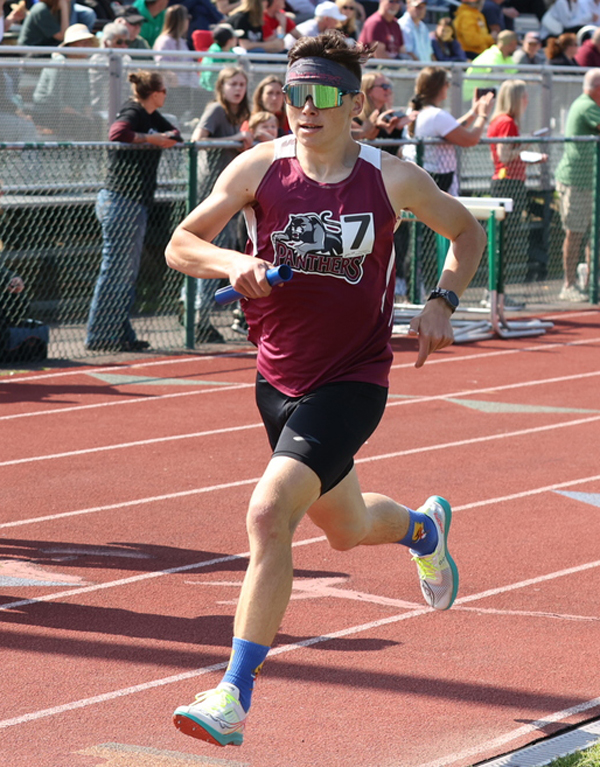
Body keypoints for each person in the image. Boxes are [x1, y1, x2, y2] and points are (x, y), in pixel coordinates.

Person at [166, 29, 486, 747]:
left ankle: (232, 695)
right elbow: (180, 243)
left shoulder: (391, 179)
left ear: (354, 105)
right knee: (345, 529)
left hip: (354, 378)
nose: (304, 108)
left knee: (267, 515)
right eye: (293, 94)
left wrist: (442, 301)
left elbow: (466, 233)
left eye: (321, 95)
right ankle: (423, 530)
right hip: (276, 379)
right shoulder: (258, 168)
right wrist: (232, 263)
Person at [86, 71, 181, 352]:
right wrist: (150, 139)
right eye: (164, 91)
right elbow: (117, 133)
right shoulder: (133, 110)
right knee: (115, 270)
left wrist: (161, 136)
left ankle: (120, 333)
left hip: (135, 202)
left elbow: (176, 135)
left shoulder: (151, 115)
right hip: (120, 199)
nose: (166, 96)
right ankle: (100, 336)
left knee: (126, 273)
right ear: (155, 93)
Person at [189, 66, 253, 342]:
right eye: (232, 84)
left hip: (233, 193)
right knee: (208, 253)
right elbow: (197, 140)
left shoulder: (244, 113)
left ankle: (199, 315)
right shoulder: (216, 109)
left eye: (241, 84)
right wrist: (233, 140)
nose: (238, 89)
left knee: (223, 252)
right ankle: (197, 318)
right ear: (222, 87)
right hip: (210, 192)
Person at [486, 79, 548, 302]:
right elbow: (504, 156)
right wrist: (527, 144)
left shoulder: (501, 120)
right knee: (503, 240)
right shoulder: (507, 122)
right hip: (508, 184)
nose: (527, 100)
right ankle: (495, 294)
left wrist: (527, 153)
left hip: (508, 182)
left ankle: (495, 293)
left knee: (503, 240)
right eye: (524, 96)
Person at [405, 65, 494, 196]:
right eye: (447, 83)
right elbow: (471, 139)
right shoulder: (436, 115)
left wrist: (473, 112)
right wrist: (483, 115)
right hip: (437, 181)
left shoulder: (418, 111)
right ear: (439, 87)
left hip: (426, 178)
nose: (449, 86)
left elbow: (453, 129)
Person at [554, 68, 600, 300]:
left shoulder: (589, 104)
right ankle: (568, 285)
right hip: (576, 182)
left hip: (590, 182)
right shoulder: (587, 105)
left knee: (593, 234)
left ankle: (591, 281)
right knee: (575, 233)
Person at [31, 24, 100, 140]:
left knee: (99, 122)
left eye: (89, 43)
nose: (87, 46)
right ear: (71, 45)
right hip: (48, 115)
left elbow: (87, 98)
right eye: (83, 43)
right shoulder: (59, 64)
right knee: (85, 125)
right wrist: (80, 116)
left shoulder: (84, 66)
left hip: (73, 116)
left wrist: (87, 115)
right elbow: (53, 98)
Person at [154, 5, 204, 118]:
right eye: (187, 18)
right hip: (172, 93)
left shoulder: (181, 41)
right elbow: (163, 67)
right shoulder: (164, 41)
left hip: (186, 90)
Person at [464, 29, 518, 100]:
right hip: (471, 98)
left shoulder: (507, 57)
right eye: (516, 44)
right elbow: (502, 78)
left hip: (484, 96)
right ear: (512, 43)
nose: (516, 47)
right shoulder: (491, 55)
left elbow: (516, 75)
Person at [18, 0, 95, 46]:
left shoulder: (56, 10)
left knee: (88, 14)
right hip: (31, 52)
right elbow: (64, 37)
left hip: (46, 47)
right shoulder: (41, 9)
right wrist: (64, 7)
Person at [199, 23, 241, 92]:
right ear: (229, 40)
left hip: (225, 90)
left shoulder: (231, 51)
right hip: (210, 92)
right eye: (235, 37)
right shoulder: (214, 53)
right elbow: (210, 80)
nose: (237, 39)